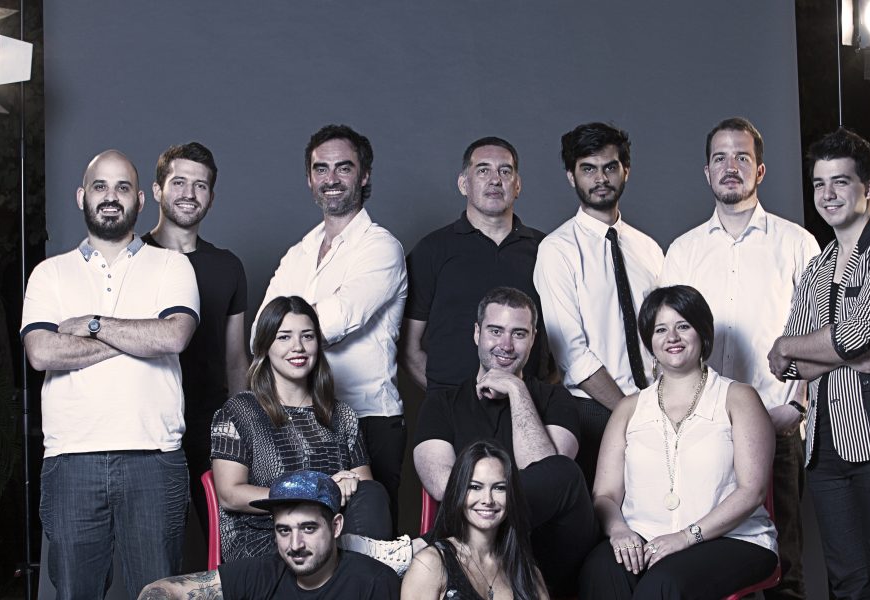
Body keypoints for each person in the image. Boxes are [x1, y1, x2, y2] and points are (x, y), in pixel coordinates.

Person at [21, 150, 199, 598]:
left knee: (157, 593)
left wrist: (94, 324)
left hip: (154, 457)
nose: (110, 197)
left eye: (122, 187)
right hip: (70, 460)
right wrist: (136, 338)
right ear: (81, 196)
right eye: (100, 186)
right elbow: (41, 352)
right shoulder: (49, 274)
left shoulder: (173, 265)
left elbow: (174, 336)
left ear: (139, 200)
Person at [768, 127, 870, 598]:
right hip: (824, 445)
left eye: (840, 182)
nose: (828, 194)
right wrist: (812, 351)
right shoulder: (818, 265)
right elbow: (787, 367)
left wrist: (796, 345)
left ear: (869, 187)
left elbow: (854, 333)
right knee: (847, 582)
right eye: (819, 184)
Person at [658, 117, 818, 598]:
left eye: (742, 157)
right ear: (706, 171)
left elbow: (817, 334)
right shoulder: (683, 251)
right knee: (709, 562)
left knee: (784, 564)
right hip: (701, 430)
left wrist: (797, 407)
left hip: (775, 422)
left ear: (760, 170)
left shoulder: (797, 244)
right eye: (720, 158)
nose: (731, 167)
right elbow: (667, 341)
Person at [580, 285, 777, 599]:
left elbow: (752, 491)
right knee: (600, 571)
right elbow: (605, 494)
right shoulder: (628, 409)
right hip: (644, 538)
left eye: (683, 326)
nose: (672, 337)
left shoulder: (738, 398)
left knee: (662, 584)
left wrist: (685, 537)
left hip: (731, 539)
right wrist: (619, 531)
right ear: (650, 341)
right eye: (661, 329)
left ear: (702, 333)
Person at [258, 124, 408, 530]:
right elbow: (259, 330)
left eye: (344, 167)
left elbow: (338, 319)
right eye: (320, 169)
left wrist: (283, 330)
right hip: (303, 420)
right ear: (310, 179)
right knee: (307, 536)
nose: (331, 178)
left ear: (364, 175)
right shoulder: (300, 252)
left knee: (369, 541)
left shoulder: (381, 247)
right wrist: (288, 326)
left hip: (369, 418)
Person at [412, 287, 596, 595]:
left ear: (533, 338)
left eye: (519, 334)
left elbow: (549, 474)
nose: (506, 345)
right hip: (473, 552)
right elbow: (443, 486)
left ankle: (420, 545)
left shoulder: (556, 399)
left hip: (547, 550)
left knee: (564, 471)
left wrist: (516, 389)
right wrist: (492, 506)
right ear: (477, 333)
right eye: (495, 331)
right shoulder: (441, 404)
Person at [211, 296, 392, 562]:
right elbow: (230, 494)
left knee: (372, 492)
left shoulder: (342, 415)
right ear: (265, 346)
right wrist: (315, 492)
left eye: (307, 336)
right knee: (355, 565)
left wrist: (351, 483)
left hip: (332, 537)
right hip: (265, 539)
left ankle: (362, 563)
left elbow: (365, 488)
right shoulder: (240, 411)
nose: (298, 347)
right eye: (284, 337)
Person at [534, 122, 663, 488]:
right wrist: (628, 412)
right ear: (571, 176)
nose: (601, 178)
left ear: (626, 171)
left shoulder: (649, 249)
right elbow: (572, 354)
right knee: (600, 513)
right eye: (588, 169)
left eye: (610, 167)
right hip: (592, 409)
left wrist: (656, 408)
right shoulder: (557, 251)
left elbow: (666, 334)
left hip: (654, 407)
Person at [142, 141, 249, 536]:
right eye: (179, 182)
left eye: (200, 185)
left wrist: (243, 426)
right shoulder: (131, 259)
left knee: (228, 541)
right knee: (156, 543)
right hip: (148, 425)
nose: (189, 193)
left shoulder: (227, 266)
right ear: (157, 190)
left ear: (211, 197)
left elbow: (236, 358)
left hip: (211, 425)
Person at [402, 137, 550, 393]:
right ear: (463, 184)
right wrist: (448, 400)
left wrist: (536, 397)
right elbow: (407, 348)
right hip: (449, 407)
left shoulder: (546, 250)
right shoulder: (432, 250)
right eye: (483, 170)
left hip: (527, 405)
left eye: (505, 171)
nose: (495, 180)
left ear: (517, 185)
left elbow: (566, 346)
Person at [138, 470, 401, 599]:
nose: (295, 545)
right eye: (284, 530)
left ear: (336, 527)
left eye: (308, 528)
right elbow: (161, 590)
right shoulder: (260, 573)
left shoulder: (374, 582)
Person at [401, 440, 549, 600]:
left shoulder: (529, 573)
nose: (488, 500)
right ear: (459, 491)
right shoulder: (430, 564)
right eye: (475, 487)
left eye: (499, 488)